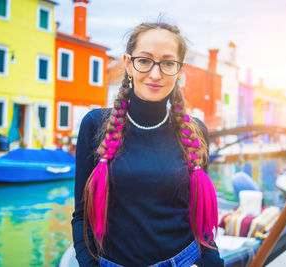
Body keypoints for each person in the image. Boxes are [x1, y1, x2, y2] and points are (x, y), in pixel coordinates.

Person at [72, 21, 224, 267]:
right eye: (144, 60)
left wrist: (209, 263)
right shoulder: (94, 125)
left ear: (180, 70)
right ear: (128, 64)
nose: (156, 74)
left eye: (167, 63)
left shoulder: (196, 132)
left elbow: (201, 221)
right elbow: (82, 216)